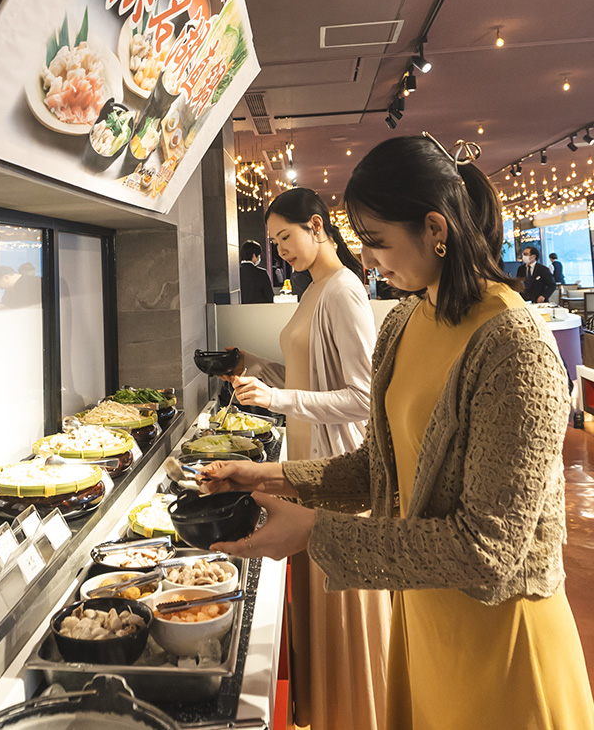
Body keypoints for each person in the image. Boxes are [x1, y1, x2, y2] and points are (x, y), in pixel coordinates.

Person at [202, 134, 594, 728]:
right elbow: (379, 467)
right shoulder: (408, 320)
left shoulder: (516, 347)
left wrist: (315, 533)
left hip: (502, 647)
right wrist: (270, 474)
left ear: (436, 229)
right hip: (422, 617)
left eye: (378, 241)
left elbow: (487, 551)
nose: (368, 257)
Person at [224, 187, 390, 730]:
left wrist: (276, 399)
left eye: (286, 238)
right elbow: (304, 373)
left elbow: (362, 397)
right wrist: (253, 365)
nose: (281, 251)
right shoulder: (312, 290)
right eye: (273, 243)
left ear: (317, 226)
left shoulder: (343, 290)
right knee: (317, 612)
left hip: (336, 471)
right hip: (306, 469)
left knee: (342, 618)